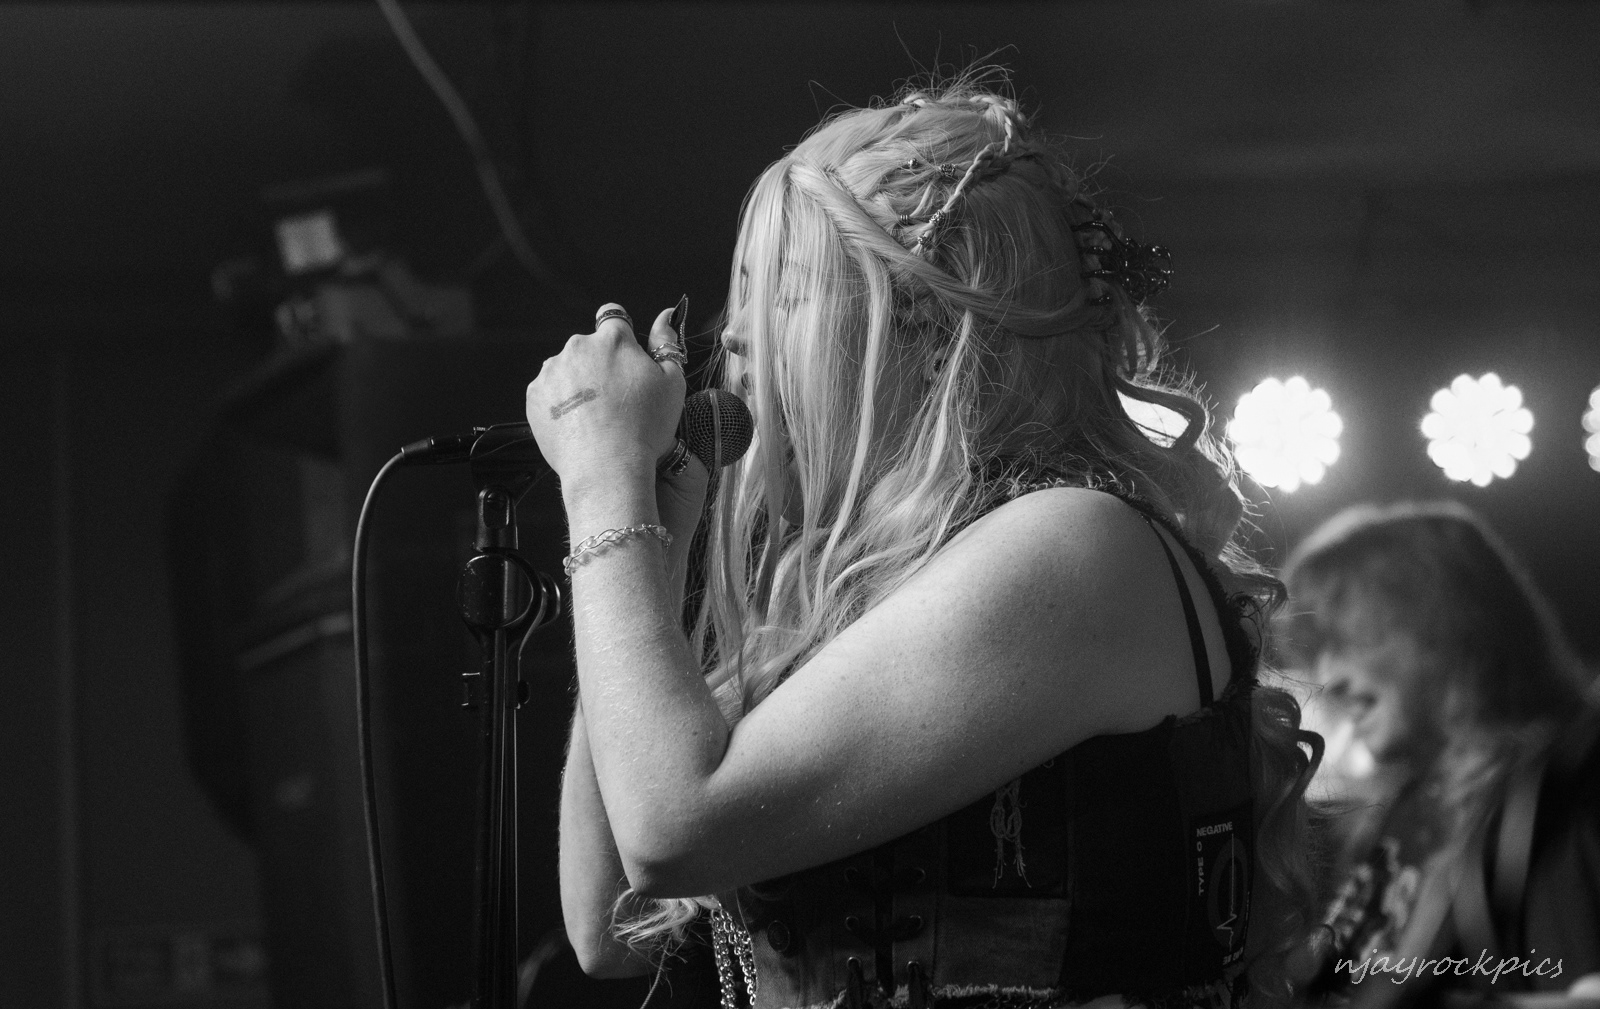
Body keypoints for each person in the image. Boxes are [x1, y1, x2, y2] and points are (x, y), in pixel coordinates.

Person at [524, 75, 1320, 1009]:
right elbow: (610, 919)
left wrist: (603, 485)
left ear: (927, 325)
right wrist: (652, 533)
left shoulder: (1075, 545)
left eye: (781, 293)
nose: (732, 337)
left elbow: (673, 830)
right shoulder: (891, 592)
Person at [1281, 501, 1600, 1003]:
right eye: (1321, 651)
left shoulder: (1571, 782)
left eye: (1355, 640)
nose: (1329, 676)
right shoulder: (1408, 806)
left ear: (1450, 628)